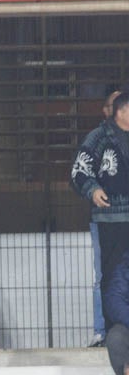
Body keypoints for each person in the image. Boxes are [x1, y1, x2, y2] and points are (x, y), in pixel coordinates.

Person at [72, 91, 129, 320]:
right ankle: (114, 329)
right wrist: (93, 189)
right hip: (110, 219)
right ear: (122, 111)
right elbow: (79, 171)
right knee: (113, 276)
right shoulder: (98, 137)